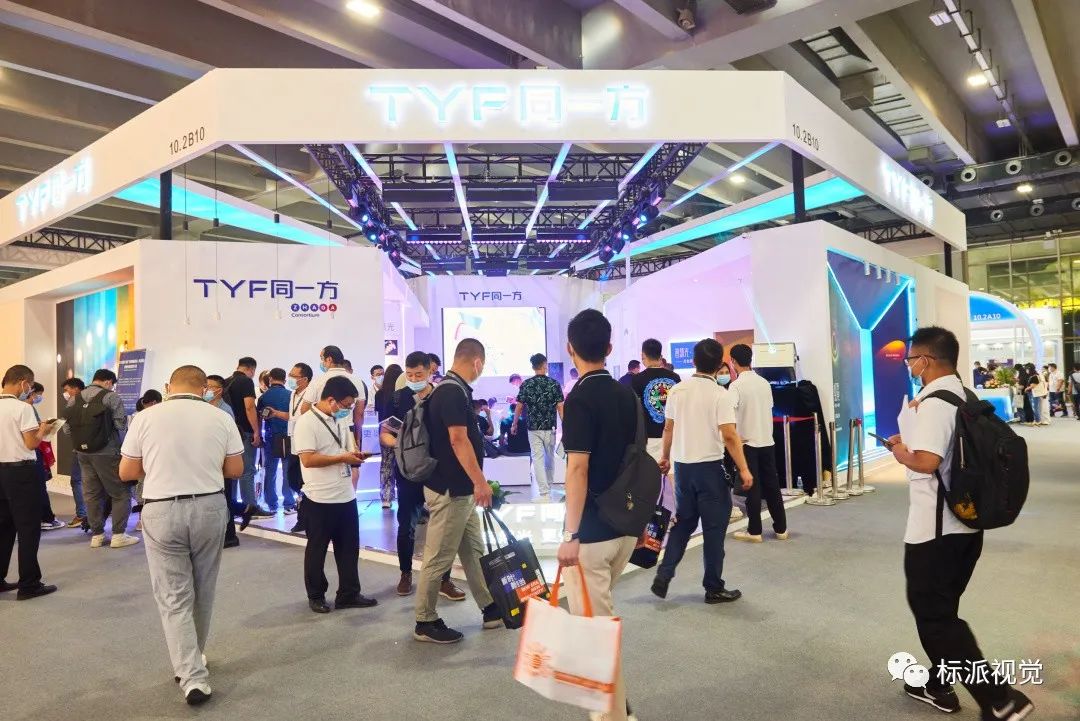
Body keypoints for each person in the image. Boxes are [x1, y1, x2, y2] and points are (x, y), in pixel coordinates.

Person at [889, 327, 1033, 720]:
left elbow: (926, 462)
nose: (909, 366)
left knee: (934, 617)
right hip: (967, 525)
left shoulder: (934, 404)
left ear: (925, 360)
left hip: (934, 531)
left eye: (911, 359)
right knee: (944, 610)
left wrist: (900, 450)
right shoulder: (963, 396)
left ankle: (1002, 700)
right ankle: (938, 684)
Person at [119, 365, 243, 705]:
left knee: (173, 595)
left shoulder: (145, 417)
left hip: (161, 510)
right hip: (209, 507)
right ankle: (193, 659)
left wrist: (159, 464)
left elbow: (127, 471)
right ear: (204, 388)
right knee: (203, 588)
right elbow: (235, 469)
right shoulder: (220, 417)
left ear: (168, 386)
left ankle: (191, 676)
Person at [558, 309, 640, 721]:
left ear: (570, 348)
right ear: (609, 347)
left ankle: (613, 716)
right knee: (600, 626)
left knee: (595, 637)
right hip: (625, 525)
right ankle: (620, 707)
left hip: (591, 534)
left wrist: (570, 534)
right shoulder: (627, 394)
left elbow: (578, 468)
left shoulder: (579, 398)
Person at [652, 338, 753, 604]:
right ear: (719, 365)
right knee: (713, 530)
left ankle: (664, 573)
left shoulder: (677, 391)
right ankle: (713, 587)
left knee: (684, 523)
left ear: (694, 361)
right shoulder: (720, 394)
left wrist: (665, 457)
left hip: (683, 469)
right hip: (710, 469)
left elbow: (668, 428)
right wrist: (744, 469)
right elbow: (729, 435)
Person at [413, 338, 500, 644]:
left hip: (460, 492)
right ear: (477, 362)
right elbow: (458, 440)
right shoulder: (451, 392)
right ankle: (425, 620)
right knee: (438, 557)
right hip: (451, 491)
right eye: (482, 366)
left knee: (474, 551)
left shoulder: (452, 389)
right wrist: (480, 482)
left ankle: (490, 607)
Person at [379, 351, 463, 600]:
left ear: (430, 371)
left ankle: (444, 579)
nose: (414, 379)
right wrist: (402, 446)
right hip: (409, 472)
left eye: (419, 374)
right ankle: (405, 573)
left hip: (439, 470)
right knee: (406, 524)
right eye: (410, 374)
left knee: (444, 527)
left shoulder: (442, 396)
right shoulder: (397, 399)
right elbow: (385, 433)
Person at [292, 375, 378, 614]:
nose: (349, 409)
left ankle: (349, 594)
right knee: (317, 550)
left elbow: (344, 449)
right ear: (331, 400)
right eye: (346, 405)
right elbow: (308, 459)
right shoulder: (306, 423)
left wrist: (354, 455)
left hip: (345, 494)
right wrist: (342, 458)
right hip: (319, 498)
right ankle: (316, 595)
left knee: (349, 548)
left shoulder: (340, 419)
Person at [0, 365, 58, 600]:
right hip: (21, 472)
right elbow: (31, 443)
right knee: (28, 528)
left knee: (3, 528)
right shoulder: (22, 408)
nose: (30, 390)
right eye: (30, 386)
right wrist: (43, 429)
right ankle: (29, 584)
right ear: (23, 382)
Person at [728, 344, 788, 544]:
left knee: (752, 487)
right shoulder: (764, 383)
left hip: (747, 442)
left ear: (733, 361)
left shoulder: (736, 386)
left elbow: (729, 414)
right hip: (767, 440)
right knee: (772, 485)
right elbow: (769, 408)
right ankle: (781, 528)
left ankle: (754, 530)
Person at [73, 369, 138, 549]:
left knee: (92, 495)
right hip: (107, 452)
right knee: (120, 492)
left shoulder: (75, 398)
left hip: (82, 453)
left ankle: (97, 535)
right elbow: (120, 425)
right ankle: (118, 535)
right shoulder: (111, 397)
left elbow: (67, 428)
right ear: (108, 382)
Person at [222, 357, 271, 519]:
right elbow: (249, 407)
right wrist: (256, 431)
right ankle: (250, 506)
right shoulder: (246, 382)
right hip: (244, 432)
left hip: (229, 431)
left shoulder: (226, 382)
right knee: (247, 469)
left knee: (232, 470)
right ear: (252, 369)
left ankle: (232, 505)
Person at [512, 353, 564, 502]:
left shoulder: (527, 384)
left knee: (537, 460)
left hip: (533, 428)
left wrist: (514, 424)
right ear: (544, 365)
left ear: (533, 366)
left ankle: (544, 493)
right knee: (549, 459)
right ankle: (548, 488)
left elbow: (519, 406)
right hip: (550, 427)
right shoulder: (554, 384)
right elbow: (560, 407)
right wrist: (565, 425)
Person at [301, 346, 367, 453]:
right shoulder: (357, 380)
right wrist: (357, 437)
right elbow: (359, 413)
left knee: (327, 459)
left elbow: (304, 409)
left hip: (323, 428)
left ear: (329, 359)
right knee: (348, 460)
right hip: (348, 429)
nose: (321, 362)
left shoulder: (318, 381)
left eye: (322, 358)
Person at [631, 338, 681, 464]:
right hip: (674, 436)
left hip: (649, 438)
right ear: (660, 355)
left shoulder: (637, 380)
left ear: (643, 355)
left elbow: (635, 411)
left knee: (651, 474)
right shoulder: (675, 378)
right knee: (672, 473)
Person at [206, 375, 240, 549]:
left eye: (210, 386)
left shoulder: (225, 411)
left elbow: (228, 439)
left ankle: (230, 535)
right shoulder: (206, 408)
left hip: (222, 461)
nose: (206, 389)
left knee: (225, 498)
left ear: (219, 390)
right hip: (210, 461)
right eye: (205, 386)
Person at [256, 368, 295, 514]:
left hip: (271, 436)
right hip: (288, 436)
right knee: (287, 471)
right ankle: (288, 504)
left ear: (270, 379)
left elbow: (259, 418)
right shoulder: (291, 395)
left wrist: (258, 435)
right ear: (285, 380)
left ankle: (271, 504)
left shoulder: (264, 397)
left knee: (270, 471)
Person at [25, 382, 63, 532]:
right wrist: (44, 428)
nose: (39, 397)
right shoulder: (26, 408)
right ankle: (46, 518)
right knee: (39, 485)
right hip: (31, 453)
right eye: (39, 394)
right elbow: (33, 436)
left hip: (20, 458)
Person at [285, 363, 313, 533]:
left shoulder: (311, 395)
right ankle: (303, 514)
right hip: (293, 443)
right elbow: (292, 416)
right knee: (293, 479)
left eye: (294, 376)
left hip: (306, 446)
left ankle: (304, 519)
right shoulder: (293, 394)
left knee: (304, 482)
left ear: (305, 379)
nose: (290, 378)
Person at [374, 364, 404, 510]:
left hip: (384, 432)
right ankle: (403, 493)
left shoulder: (380, 394)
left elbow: (378, 412)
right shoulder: (402, 394)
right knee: (404, 464)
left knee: (386, 464)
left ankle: (386, 498)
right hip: (402, 432)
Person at [61, 377, 88, 528]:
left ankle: (82, 515)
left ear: (76, 388)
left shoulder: (73, 401)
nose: (66, 393)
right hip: (100, 448)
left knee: (77, 480)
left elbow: (66, 427)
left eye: (67, 390)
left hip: (79, 447)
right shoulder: (100, 399)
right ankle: (96, 514)